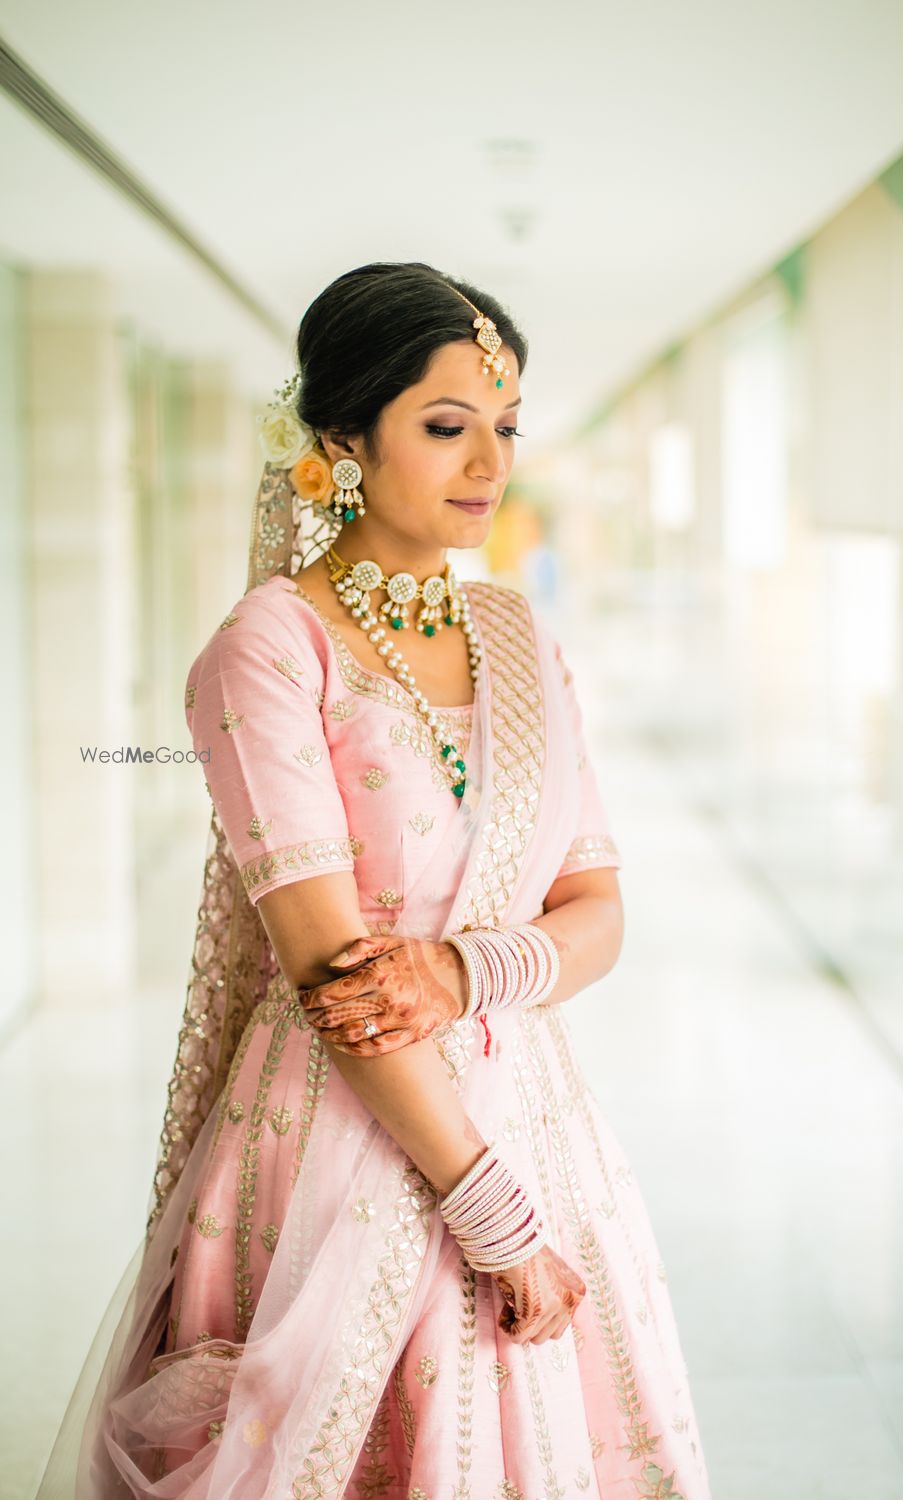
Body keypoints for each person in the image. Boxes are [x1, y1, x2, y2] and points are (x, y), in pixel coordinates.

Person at [37, 261, 712, 1499]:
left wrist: (466, 969)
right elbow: (333, 973)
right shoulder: (270, 646)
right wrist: (491, 1214)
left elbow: (601, 911)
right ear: (343, 440)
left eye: (504, 429)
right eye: (445, 427)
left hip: (537, 1115)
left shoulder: (519, 636)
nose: (488, 464)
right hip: (335, 1146)